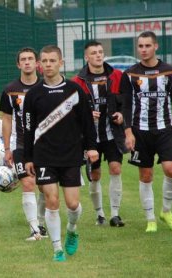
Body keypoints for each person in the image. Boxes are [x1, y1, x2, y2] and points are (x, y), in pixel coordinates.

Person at [23, 45, 98, 262]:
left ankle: (72, 230)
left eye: (52, 61)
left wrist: (91, 147)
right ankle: (57, 250)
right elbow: (28, 129)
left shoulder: (75, 91)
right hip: (44, 155)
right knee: (52, 201)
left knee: (73, 204)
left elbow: (87, 124)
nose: (48, 65)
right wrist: (28, 157)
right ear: (39, 65)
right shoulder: (34, 95)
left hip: (71, 155)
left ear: (60, 63)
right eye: (44, 61)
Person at [121, 31, 172, 233]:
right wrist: (128, 133)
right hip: (140, 131)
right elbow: (125, 105)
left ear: (156, 46)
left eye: (147, 46)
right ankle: (150, 218)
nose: (143, 50)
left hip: (166, 128)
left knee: (169, 169)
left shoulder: (168, 71)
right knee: (146, 174)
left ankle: (166, 211)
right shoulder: (130, 74)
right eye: (140, 46)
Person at [72, 41, 126, 227]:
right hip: (90, 137)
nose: (98, 55)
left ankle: (115, 214)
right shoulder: (77, 81)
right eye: (93, 53)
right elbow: (70, 110)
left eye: (100, 52)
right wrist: (86, 114)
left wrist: (121, 115)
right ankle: (100, 214)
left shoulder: (116, 76)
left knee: (116, 168)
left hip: (112, 134)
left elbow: (126, 103)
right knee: (95, 175)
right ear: (86, 57)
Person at [0, 47, 47, 240]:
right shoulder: (10, 90)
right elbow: (6, 120)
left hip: (44, 146)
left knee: (45, 187)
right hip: (21, 146)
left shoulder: (46, 88)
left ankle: (41, 223)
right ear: (18, 64)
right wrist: (7, 148)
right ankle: (34, 230)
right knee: (28, 183)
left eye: (30, 59)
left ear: (37, 64)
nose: (27, 62)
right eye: (23, 59)